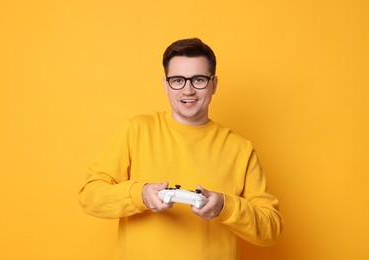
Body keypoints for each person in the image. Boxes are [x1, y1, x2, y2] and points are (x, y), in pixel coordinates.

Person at [78, 38, 283, 259]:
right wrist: (141, 195)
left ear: (213, 84)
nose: (188, 90)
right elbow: (90, 196)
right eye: (178, 80)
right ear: (166, 85)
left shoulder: (240, 149)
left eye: (198, 80)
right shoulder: (137, 130)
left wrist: (225, 207)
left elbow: (271, 229)